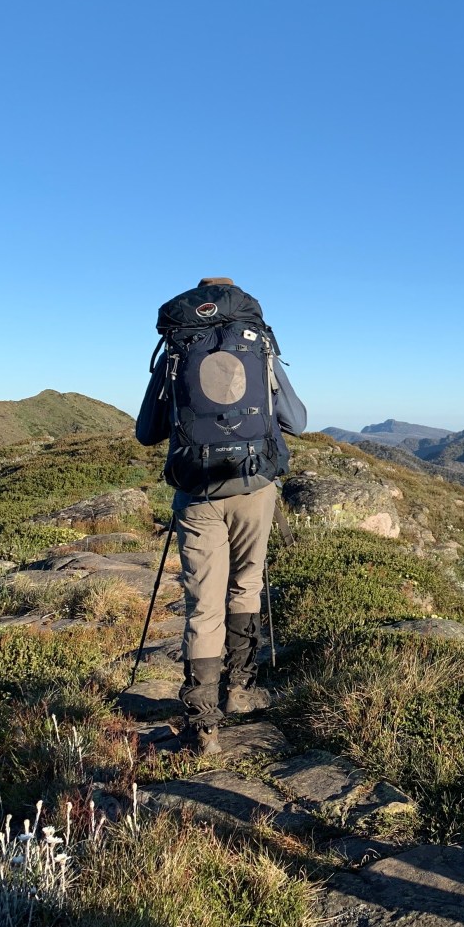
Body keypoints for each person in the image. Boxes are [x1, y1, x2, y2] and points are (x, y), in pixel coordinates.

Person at [135, 277, 306, 755]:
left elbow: (146, 431)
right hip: (255, 486)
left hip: (197, 493)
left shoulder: (178, 346)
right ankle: (241, 692)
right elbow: (297, 420)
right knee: (246, 585)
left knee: (202, 607)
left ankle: (201, 728)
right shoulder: (258, 344)